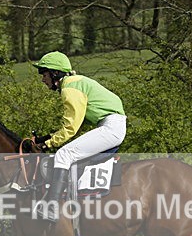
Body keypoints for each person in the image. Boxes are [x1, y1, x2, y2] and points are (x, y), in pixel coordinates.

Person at [31, 51, 127, 222]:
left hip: (110, 127)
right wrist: (44, 138)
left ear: (55, 73)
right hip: (111, 125)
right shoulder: (76, 82)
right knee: (68, 152)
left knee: (63, 154)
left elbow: (71, 127)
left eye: (43, 74)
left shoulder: (70, 88)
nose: (42, 79)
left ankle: (52, 208)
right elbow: (74, 122)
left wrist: (47, 144)